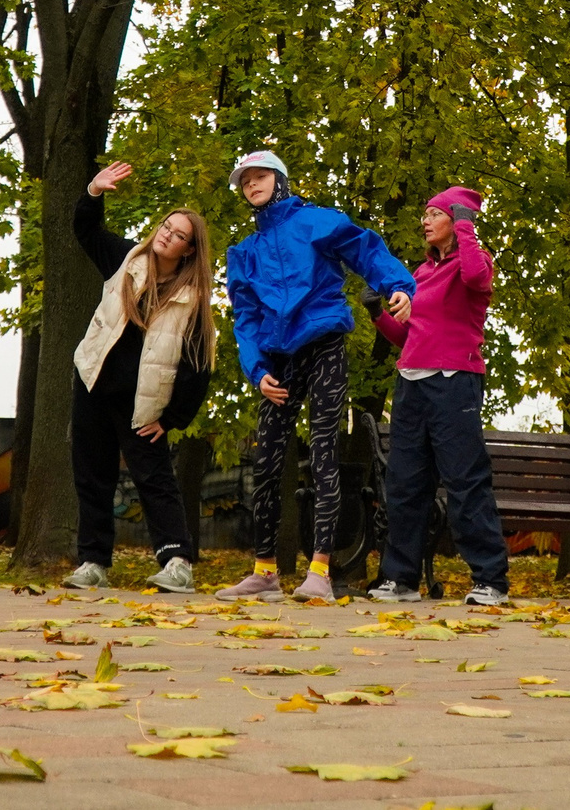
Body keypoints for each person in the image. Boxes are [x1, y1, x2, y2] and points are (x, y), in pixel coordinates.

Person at [220, 148, 416, 602]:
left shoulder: (315, 221)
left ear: (280, 179)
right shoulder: (243, 253)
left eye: (260, 176)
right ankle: (265, 571)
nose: (252, 185)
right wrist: (257, 371)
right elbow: (245, 318)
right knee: (267, 463)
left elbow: (365, 249)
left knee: (325, 453)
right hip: (278, 363)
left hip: (325, 345)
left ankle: (320, 573)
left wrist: (400, 287)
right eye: (245, 181)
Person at [63, 162, 211, 595]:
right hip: (93, 385)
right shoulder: (126, 260)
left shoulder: (192, 299)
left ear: (188, 250)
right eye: (166, 226)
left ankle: (177, 561)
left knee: (154, 479)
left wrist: (174, 418)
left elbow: (198, 365)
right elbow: (86, 231)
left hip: (143, 404)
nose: (167, 234)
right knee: (92, 476)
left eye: (179, 233)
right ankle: (92, 563)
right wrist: (93, 191)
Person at [366, 186, 511, 608]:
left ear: (456, 219)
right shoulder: (420, 274)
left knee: (465, 480)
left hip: (454, 380)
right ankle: (401, 579)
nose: (424, 221)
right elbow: (407, 339)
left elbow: (475, 278)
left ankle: (491, 581)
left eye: (434, 214)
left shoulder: (476, 262)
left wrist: (467, 226)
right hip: (411, 382)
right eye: (424, 214)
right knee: (405, 482)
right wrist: (378, 314)